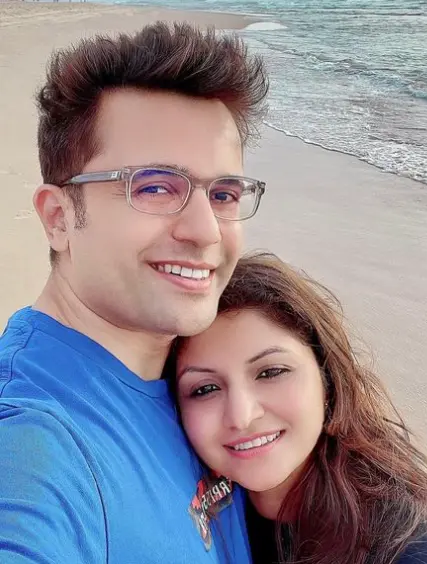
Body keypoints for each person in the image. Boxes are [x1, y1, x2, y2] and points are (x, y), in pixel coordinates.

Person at [0, 23, 268, 562]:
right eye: (153, 186)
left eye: (223, 193)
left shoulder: (208, 379)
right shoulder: (34, 441)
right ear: (58, 218)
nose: (206, 231)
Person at [175, 252, 427, 564]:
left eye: (271, 372)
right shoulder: (204, 510)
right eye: (205, 389)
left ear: (327, 380)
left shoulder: (411, 551)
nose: (241, 416)